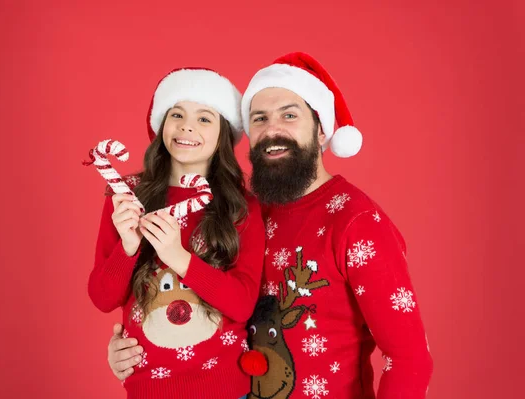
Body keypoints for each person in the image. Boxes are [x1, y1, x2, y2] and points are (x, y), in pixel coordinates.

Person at [107, 52, 433, 398]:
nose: (272, 130)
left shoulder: (358, 222)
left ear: (322, 130)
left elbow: (409, 357)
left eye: (289, 115)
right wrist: (133, 350)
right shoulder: (240, 212)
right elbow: (214, 307)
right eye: (259, 119)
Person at [89, 67, 265, 399]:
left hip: (225, 390)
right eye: (178, 114)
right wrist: (127, 247)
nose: (187, 125)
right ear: (162, 125)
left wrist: (179, 258)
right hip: (149, 388)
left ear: (222, 133)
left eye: (204, 118)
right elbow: (103, 298)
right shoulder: (127, 196)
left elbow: (241, 305)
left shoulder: (242, 207)